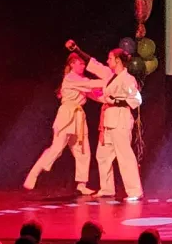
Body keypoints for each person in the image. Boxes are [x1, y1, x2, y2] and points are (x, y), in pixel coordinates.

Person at [23, 49, 110, 194]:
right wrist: (110, 80)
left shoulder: (82, 81)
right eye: (80, 63)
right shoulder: (70, 78)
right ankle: (34, 172)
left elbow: (95, 95)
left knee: (83, 151)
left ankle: (81, 184)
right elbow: (91, 85)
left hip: (79, 118)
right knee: (57, 148)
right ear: (72, 64)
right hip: (67, 115)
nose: (83, 66)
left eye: (84, 64)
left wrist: (112, 99)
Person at [93, 48, 144, 199]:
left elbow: (136, 99)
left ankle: (135, 191)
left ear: (118, 60)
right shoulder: (112, 78)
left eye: (110, 58)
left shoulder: (127, 79)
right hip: (110, 120)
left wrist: (116, 101)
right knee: (102, 155)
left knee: (124, 156)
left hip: (120, 120)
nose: (107, 61)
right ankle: (107, 188)